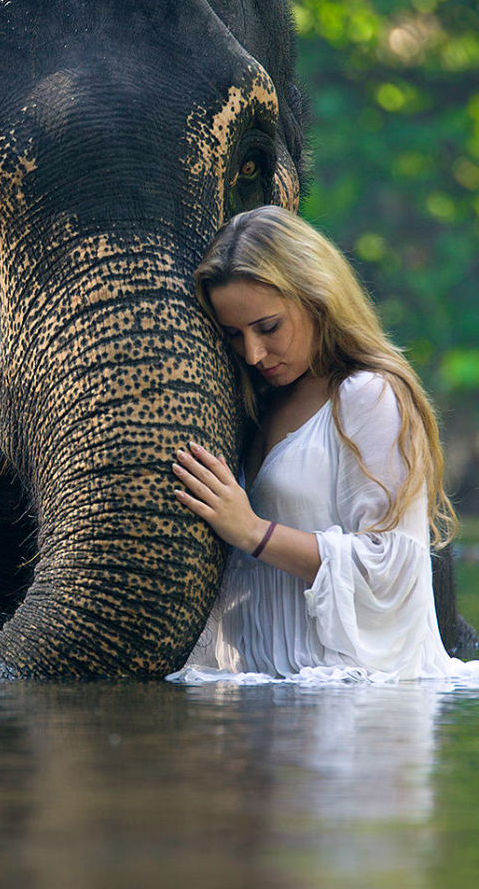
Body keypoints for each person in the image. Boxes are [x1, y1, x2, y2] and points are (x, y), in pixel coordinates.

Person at [168, 205, 479, 686]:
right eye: (234, 335)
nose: (253, 353)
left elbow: (393, 565)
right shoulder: (259, 404)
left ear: (317, 297)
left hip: (357, 707)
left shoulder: (367, 394)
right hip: (265, 696)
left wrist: (252, 532)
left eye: (268, 328)